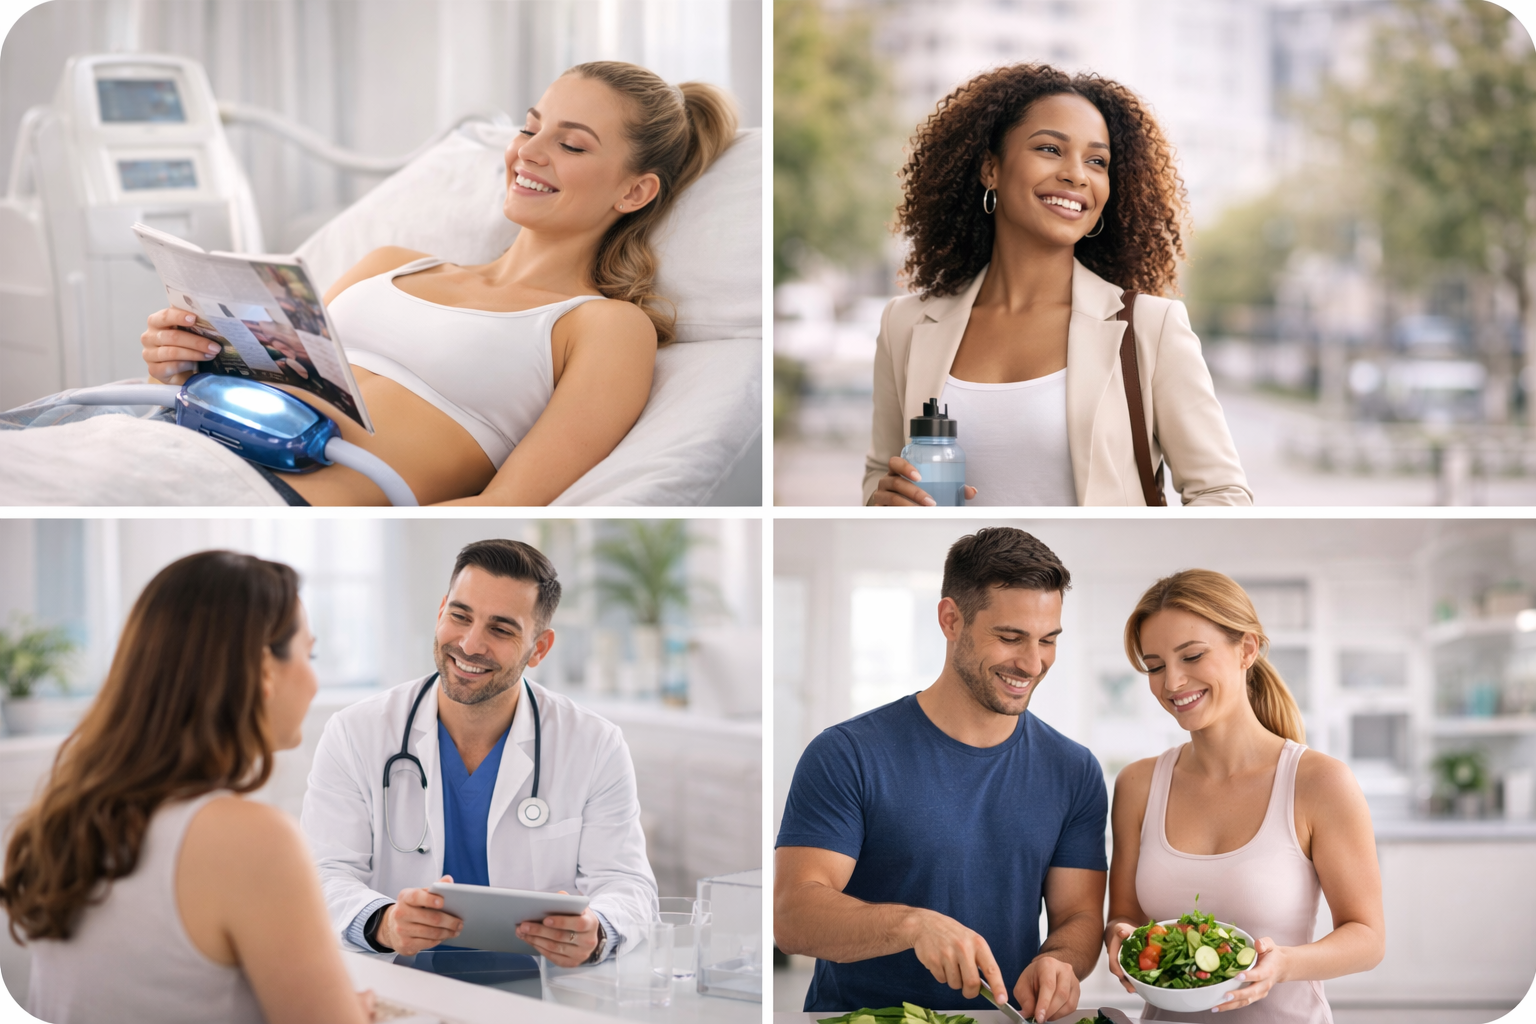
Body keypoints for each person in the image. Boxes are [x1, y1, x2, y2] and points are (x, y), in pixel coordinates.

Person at [137, 61, 738, 506]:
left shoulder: (603, 326)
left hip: (273, 502)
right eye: (530, 129)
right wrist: (175, 363)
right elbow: (245, 381)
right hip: (157, 444)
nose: (530, 153)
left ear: (634, 191)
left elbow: (506, 507)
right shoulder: (389, 264)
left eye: (571, 144)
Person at [0, 551, 370, 1024]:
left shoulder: (70, 813)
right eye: (309, 654)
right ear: (263, 670)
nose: (315, 680)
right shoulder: (253, 840)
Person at [864, 63, 1251, 507]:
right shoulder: (905, 324)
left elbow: (1222, 493)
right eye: (1050, 149)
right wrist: (881, 503)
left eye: (1097, 161)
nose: (1077, 175)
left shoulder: (1150, 327)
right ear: (990, 168)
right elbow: (880, 472)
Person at [774, 528, 1107, 1020]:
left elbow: (1078, 914)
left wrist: (1059, 959)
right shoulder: (847, 754)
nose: (1032, 663)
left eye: (1048, 640)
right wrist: (912, 926)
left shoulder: (1074, 770)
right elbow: (792, 916)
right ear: (951, 620)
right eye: (1010, 637)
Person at [300, 538, 655, 964]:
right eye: (460, 616)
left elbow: (628, 885)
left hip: (542, 983)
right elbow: (324, 873)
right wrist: (384, 922)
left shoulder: (594, 744)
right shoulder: (355, 733)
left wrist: (597, 931)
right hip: (400, 979)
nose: (470, 645)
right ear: (440, 612)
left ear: (539, 648)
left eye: (501, 629)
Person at [1106, 570, 1385, 1022]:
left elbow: (1368, 938)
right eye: (1155, 666)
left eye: (1192, 656)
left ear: (1247, 649)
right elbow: (1125, 915)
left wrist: (1284, 964)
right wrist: (1120, 938)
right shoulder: (1137, 785)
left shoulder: (1319, 782)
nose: (1172, 682)